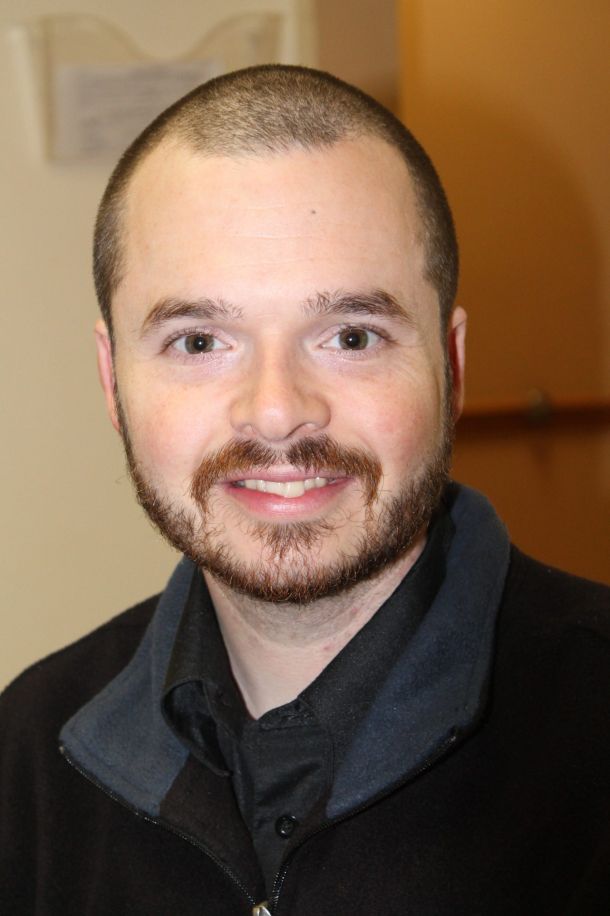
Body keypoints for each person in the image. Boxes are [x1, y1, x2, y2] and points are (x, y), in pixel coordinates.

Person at [1, 65, 608, 916]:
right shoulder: (28, 756)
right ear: (112, 381)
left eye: (351, 336)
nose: (278, 411)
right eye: (199, 341)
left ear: (451, 363)